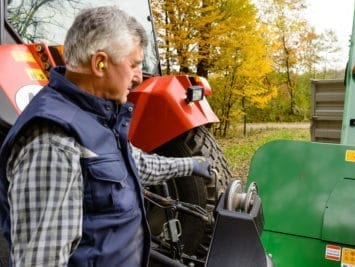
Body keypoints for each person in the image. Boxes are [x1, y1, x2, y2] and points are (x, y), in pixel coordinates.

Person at [0, 6, 212, 267]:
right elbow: (41, 261)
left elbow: (133, 164)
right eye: (133, 64)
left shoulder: (97, 117)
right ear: (99, 63)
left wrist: (188, 165)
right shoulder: (54, 141)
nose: (138, 77)